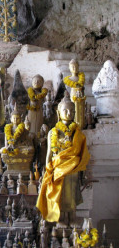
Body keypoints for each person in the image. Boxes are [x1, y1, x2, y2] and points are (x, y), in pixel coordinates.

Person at [36, 91, 90, 227]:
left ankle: (71, 217)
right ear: (58, 112)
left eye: (72, 110)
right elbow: (49, 154)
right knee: (59, 193)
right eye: (65, 110)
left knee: (71, 193)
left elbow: (82, 153)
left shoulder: (77, 133)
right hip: (57, 168)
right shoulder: (52, 133)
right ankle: (60, 218)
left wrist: (84, 171)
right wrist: (46, 171)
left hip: (73, 168)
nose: (68, 113)